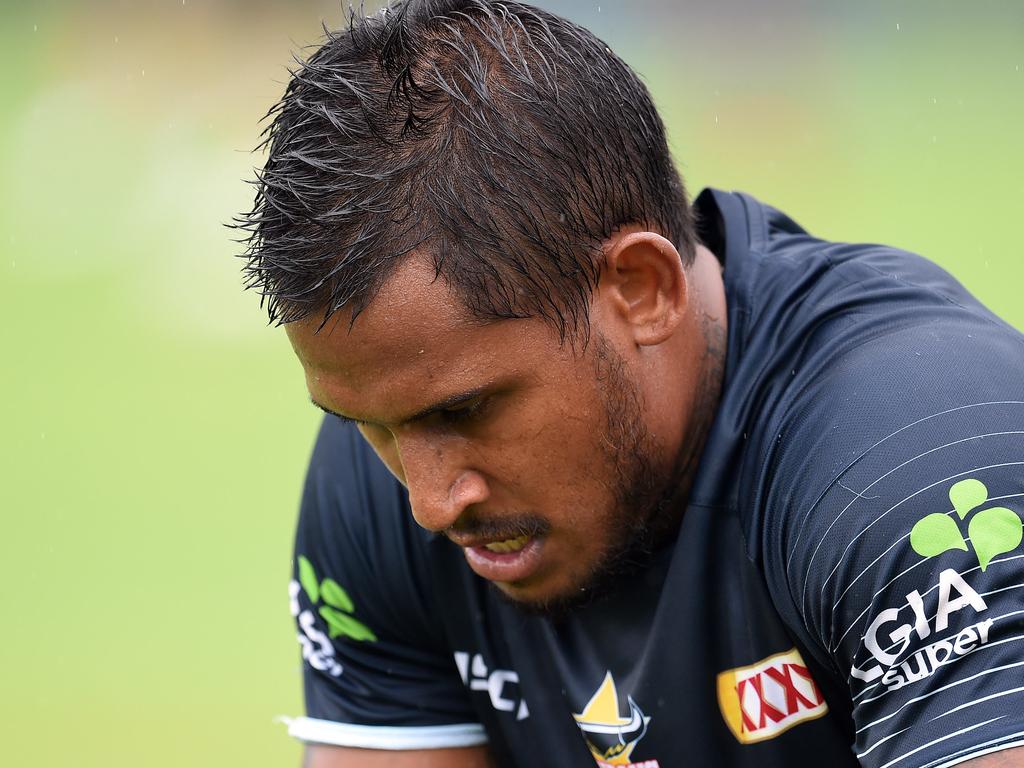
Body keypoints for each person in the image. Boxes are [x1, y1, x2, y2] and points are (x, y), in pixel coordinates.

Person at [237, 2, 1024, 766]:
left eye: (465, 410)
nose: (432, 502)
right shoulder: (393, 448)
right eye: (367, 425)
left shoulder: (912, 459)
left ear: (643, 289)